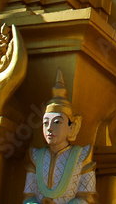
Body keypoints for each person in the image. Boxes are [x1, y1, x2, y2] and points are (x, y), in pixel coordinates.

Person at [23, 69, 95, 204]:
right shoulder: (35, 157)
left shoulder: (82, 156)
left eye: (57, 122)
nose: (49, 128)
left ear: (71, 128)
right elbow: (29, 196)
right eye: (45, 123)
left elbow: (87, 198)